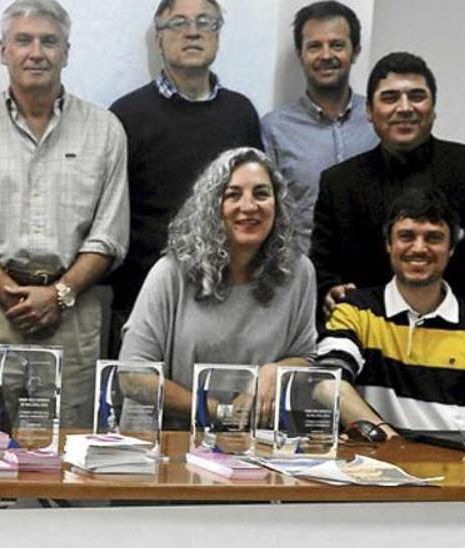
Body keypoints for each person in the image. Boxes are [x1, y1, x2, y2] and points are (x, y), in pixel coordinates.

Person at [0, 0, 128, 428]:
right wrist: (14, 297)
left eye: (49, 41)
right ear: (4, 51)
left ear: (66, 52)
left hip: (72, 311)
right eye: (23, 40)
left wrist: (58, 296)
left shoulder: (105, 129)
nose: (36, 52)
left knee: (66, 444)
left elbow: (109, 235)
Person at [311, 51, 465, 329]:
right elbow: (321, 265)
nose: (404, 108)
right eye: (390, 98)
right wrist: (329, 290)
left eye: (416, 96)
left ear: (433, 108)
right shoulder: (339, 182)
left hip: (462, 337)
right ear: (368, 112)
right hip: (370, 337)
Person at [119, 147, 316, 430]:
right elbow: (133, 376)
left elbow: (306, 356)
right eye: (233, 195)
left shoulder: (298, 272)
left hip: (257, 445)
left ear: (278, 205)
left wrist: (278, 370)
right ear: (213, 206)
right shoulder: (171, 272)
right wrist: (218, 412)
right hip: (171, 443)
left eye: (261, 194)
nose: (249, 206)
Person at [107, 0, 263, 338]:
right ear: (159, 40)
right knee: (142, 390)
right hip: (144, 296)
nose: (193, 32)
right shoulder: (125, 115)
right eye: (179, 23)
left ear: (218, 36)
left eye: (205, 22)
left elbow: (257, 206)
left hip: (229, 297)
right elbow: (112, 213)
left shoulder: (241, 112)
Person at [317, 189, 465, 434]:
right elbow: (326, 383)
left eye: (433, 238)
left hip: (458, 469)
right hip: (376, 468)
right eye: (406, 236)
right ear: (389, 244)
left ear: (451, 248)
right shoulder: (356, 311)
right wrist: (392, 444)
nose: (419, 248)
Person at [261, 0, 377, 253]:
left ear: (355, 51)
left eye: (337, 45)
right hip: (302, 277)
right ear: (300, 53)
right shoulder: (274, 129)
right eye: (314, 46)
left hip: (373, 276)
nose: (326, 55)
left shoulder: (379, 119)